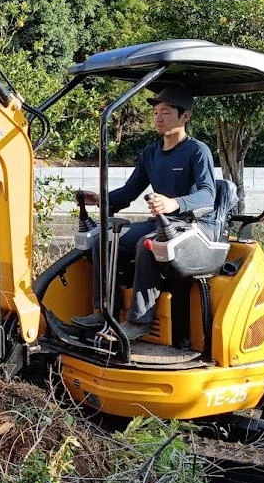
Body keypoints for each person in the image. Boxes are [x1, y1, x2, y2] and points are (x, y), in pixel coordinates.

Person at [73, 85, 216, 340]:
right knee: (102, 241)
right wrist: (99, 199)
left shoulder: (197, 151)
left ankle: (139, 321)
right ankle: (105, 312)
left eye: (166, 112)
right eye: (156, 112)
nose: (158, 118)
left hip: (194, 226)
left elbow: (208, 194)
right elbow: (130, 191)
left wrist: (175, 203)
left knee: (145, 245)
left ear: (185, 116)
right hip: (162, 223)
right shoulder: (151, 153)